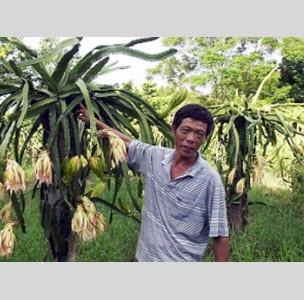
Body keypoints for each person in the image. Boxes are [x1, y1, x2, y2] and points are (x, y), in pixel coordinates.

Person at [77, 103, 230, 262]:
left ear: (205, 138)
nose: (191, 139)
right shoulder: (156, 158)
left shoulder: (210, 179)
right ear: (174, 129)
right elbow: (126, 141)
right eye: (185, 131)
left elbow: (220, 235)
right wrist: (93, 122)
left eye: (199, 134)